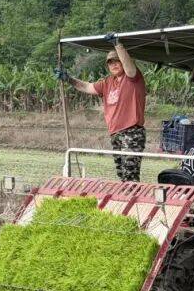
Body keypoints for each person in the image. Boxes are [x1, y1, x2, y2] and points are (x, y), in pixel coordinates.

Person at [56, 33, 147, 181]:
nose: (114, 65)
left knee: (130, 172)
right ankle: (124, 199)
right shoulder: (106, 83)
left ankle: (132, 200)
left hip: (132, 132)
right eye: (111, 63)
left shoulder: (133, 78)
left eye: (117, 61)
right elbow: (86, 87)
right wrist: (68, 79)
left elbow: (129, 67)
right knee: (121, 174)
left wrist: (118, 45)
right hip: (115, 133)